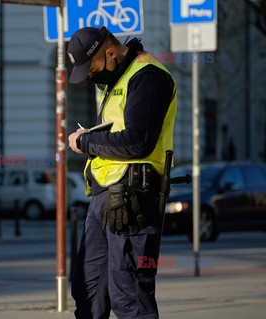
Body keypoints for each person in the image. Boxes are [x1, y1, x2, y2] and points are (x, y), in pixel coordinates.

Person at [67, 27, 177, 319]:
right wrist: (95, 138)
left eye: (92, 69)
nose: (91, 76)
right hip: (106, 198)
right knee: (89, 292)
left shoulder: (148, 76)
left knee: (130, 296)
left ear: (111, 53)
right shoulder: (119, 79)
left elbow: (138, 141)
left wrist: (85, 141)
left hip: (133, 200)